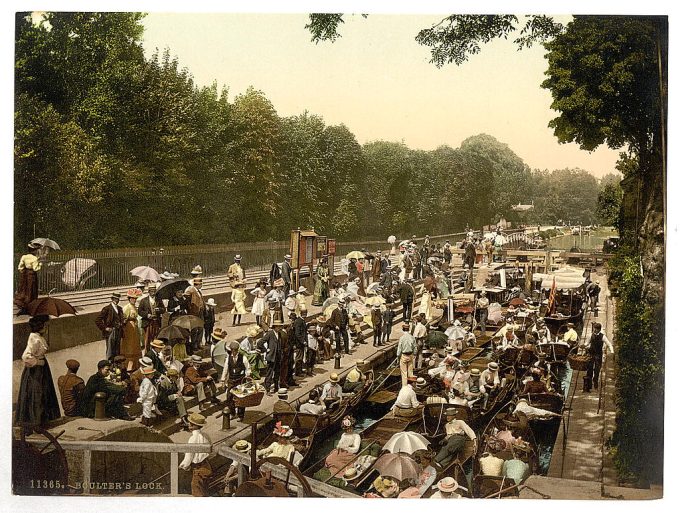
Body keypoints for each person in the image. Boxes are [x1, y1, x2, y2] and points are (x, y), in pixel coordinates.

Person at [15, 315, 61, 430]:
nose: (47, 327)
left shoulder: (39, 336)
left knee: (44, 392)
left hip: (42, 370)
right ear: (40, 326)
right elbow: (25, 356)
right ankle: (35, 422)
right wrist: (37, 362)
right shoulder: (34, 338)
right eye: (45, 325)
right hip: (35, 371)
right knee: (37, 394)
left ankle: (41, 420)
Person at [179, 413, 213, 496]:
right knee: (204, 489)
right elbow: (211, 449)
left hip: (198, 468)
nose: (189, 425)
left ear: (193, 426)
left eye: (190, 423)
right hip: (207, 466)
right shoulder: (206, 435)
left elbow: (189, 456)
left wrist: (183, 466)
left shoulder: (192, 438)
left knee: (196, 489)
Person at [220, 341, 251, 420]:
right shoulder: (228, 359)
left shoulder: (243, 357)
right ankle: (233, 413)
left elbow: (248, 368)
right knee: (229, 397)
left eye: (235, 350)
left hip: (240, 380)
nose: (233, 352)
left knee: (241, 398)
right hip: (231, 380)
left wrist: (247, 375)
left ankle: (241, 415)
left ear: (237, 350)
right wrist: (223, 380)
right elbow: (225, 370)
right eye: (232, 350)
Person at [583, 322, 614, 392]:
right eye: (594, 329)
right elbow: (587, 343)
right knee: (589, 370)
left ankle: (595, 381)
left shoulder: (603, 336)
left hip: (598, 355)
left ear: (599, 330)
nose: (595, 330)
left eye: (596, 329)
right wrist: (584, 345)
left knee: (597, 370)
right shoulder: (590, 335)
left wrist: (612, 351)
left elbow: (609, 344)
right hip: (591, 354)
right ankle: (588, 386)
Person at [14, 242, 44, 313]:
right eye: (36, 250)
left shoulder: (24, 256)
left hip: (25, 275)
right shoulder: (34, 258)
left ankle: (24, 305)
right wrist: (40, 264)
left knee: (24, 289)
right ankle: (31, 306)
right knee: (31, 289)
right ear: (34, 250)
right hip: (32, 275)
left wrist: (24, 272)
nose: (37, 251)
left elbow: (20, 267)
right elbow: (36, 269)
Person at [96, 292, 124, 361]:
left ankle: (116, 365)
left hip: (118, 331)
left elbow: (121, 319)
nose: (116, 301)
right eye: (115, 299)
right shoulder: (107, 309)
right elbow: (97, 320)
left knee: (117, 349)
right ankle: (109, 364)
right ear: (112, 299)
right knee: (110, 350)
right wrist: (105, 328)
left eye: (118, 299)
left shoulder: (120, 309)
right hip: (111, 332)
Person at [138, 282, 165, 353]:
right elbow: (140, 311)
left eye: (154, 291)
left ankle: (155, 352)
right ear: (149, 291)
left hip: (156, 321)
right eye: (151, 291)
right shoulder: (144, 300)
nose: (153, 293)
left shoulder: (158, 300)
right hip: (148, 323)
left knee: (156, 338)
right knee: (147, 339)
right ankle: (147, 353)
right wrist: (147, 315)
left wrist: (159, 310)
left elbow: (163, 309)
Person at [120, 288, 143, 370]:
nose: (134, 300)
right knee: (130, 345)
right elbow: (123, 318)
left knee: (135, 344)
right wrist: (128, 319)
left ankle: (135, 365)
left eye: (135, 299)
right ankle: (128, 364)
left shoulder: (134, 307)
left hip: (134, 327)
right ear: (129, 299)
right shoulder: (127, 307)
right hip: (128, 327)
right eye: (132, 299)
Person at [262, 319, 284, 393]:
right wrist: (265, 350)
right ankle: (267, 389)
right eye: (278, 327)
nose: (279, 328)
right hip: (271, 356)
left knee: (277, 373)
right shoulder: (270, 333)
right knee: (269, 373)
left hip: (278, 356)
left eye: (280, 326)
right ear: (275, 327)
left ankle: (276, 387)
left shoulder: (279, 334)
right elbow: (260, 342)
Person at [184, 277, 205, 352]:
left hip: (200, 312)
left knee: (200, 328)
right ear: (198, 284)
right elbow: (186, 297)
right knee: (195, 329)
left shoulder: (199, 291)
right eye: (200, 284)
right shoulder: (191, 290)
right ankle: (194, 345)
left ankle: (198, 343)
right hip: (194, 313)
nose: (201, 285)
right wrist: (190, 308)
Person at [397, 323, 417, 387]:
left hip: (404, 355)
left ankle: (404, 387)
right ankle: (411, 386)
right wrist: (414, 354)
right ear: (409, 329)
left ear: (403, 329)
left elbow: (399, 349)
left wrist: (398, 357)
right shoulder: (412, 337)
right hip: (410, 355)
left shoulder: (401, 338)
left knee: (404, 373)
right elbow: (415, 348)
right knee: (410, 372)